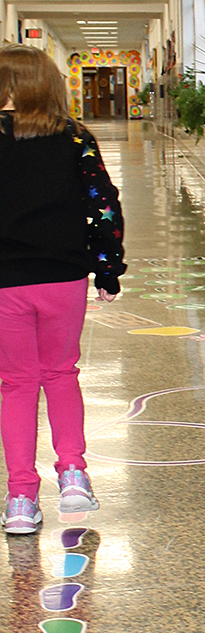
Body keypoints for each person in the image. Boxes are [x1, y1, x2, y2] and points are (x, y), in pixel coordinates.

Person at [0, 47, 125, 534]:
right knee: (60, 373)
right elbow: (103, 205)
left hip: (5, 280)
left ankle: (20, 500)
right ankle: (73, 474)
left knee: (15, 384)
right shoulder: (74, 137)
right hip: (62, 277)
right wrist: (107, 267)